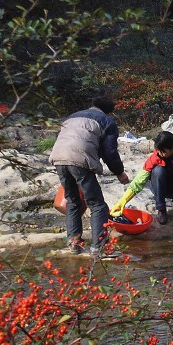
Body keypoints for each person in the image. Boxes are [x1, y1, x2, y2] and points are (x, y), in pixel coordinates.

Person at [49, 95, 130, 255]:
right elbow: (110, 152)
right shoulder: (107, 122)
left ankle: (74, 244)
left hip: (58, 157)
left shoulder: (73, 116)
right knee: (98, 205)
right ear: (109, 112)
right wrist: (120, 173)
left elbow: (63, 137)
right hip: (79, 159)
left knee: (73, 201)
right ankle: (98, 247)